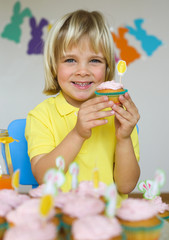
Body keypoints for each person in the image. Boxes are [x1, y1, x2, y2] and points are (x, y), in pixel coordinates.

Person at [25, 9, 140, 206]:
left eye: (95, 60)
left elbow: (126, 186)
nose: (83, 71)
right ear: (54, 66)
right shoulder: (41, 116)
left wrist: (124, 138)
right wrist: (77, 133)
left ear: (107, 68)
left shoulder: (118, 115)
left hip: (108, 217)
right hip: (61, 216)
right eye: (70, 60)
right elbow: (44, 178)